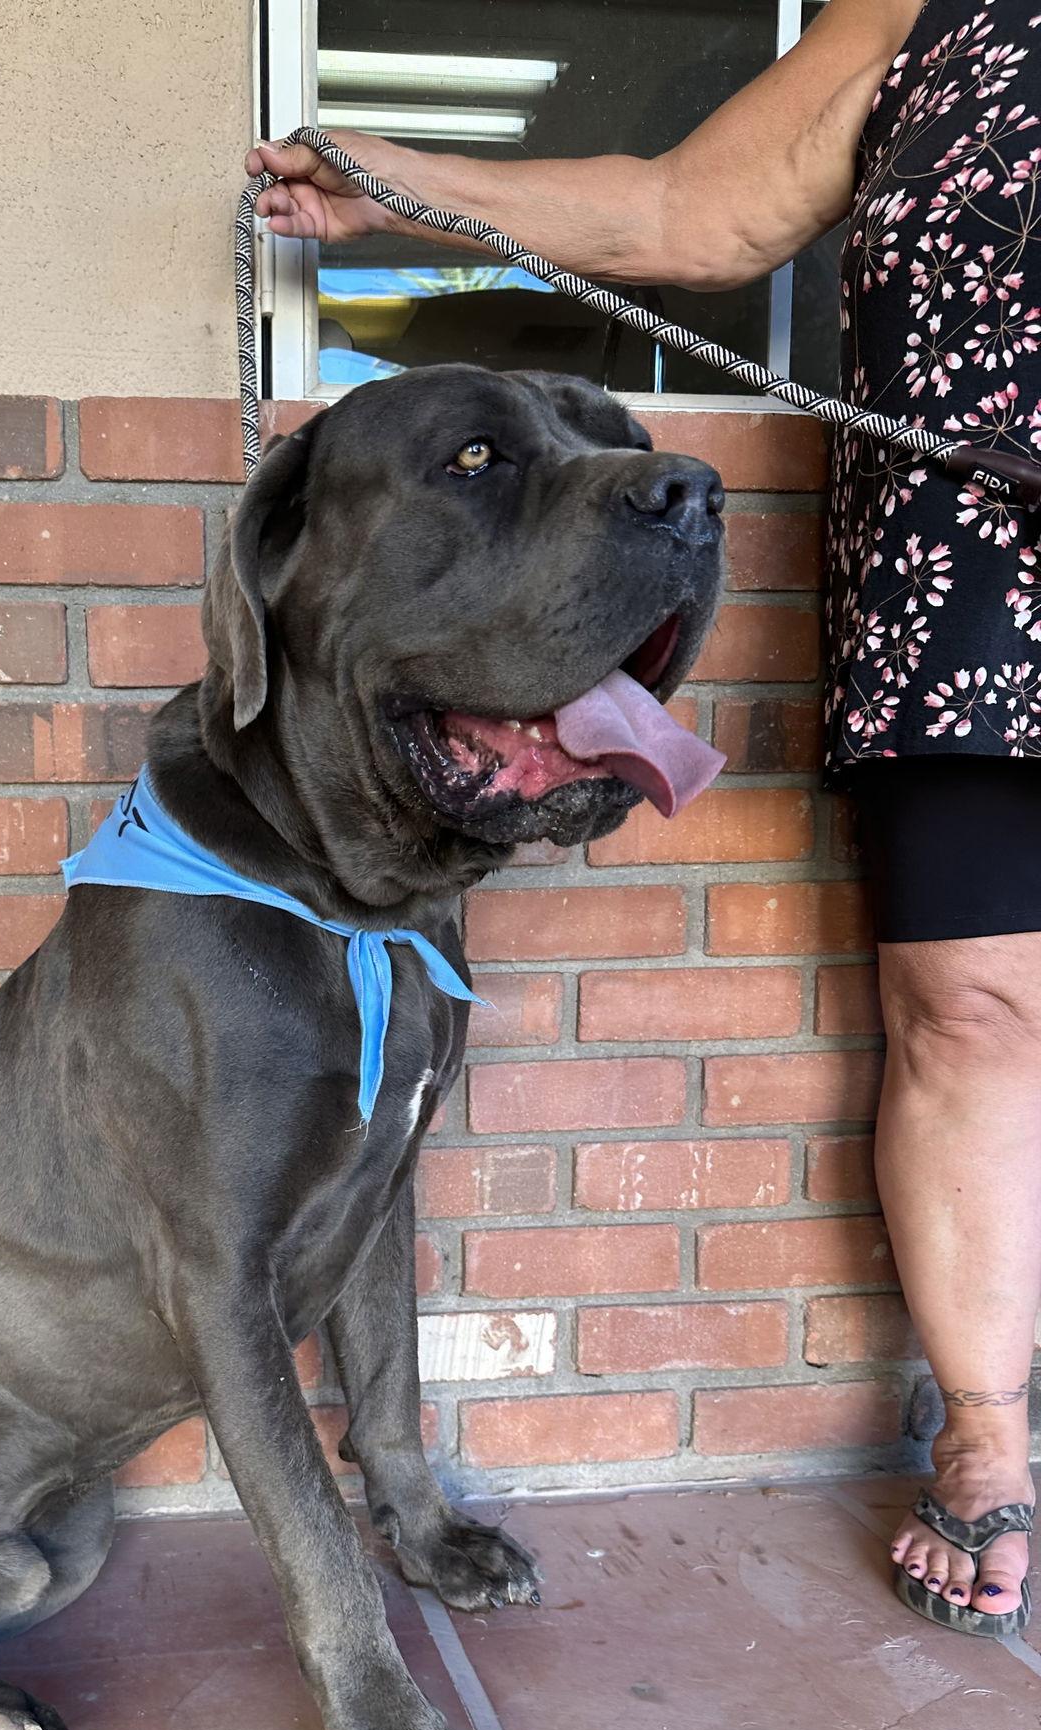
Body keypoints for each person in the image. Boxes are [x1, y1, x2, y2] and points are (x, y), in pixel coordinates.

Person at [250, 0, 1041, 1637]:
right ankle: (989, 1430)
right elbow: (695, 211)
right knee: (969, 1009)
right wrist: (394, 185)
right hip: (974, 565)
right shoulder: (930, 10)